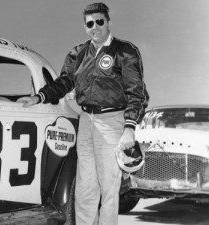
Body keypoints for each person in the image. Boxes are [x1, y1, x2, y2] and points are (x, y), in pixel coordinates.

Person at [17, 2, 149, 224]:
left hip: (113, 122)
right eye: (89, 24)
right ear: (85, 26)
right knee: (85, 189)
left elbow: (137, 93)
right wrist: (39, 97)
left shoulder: (125, 51)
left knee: (109, 190)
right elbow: (64, 82)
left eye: (99, 22)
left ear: (108, 22)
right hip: (86, 121)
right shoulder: (78, 53)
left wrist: (129, 129)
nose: (94, 27)